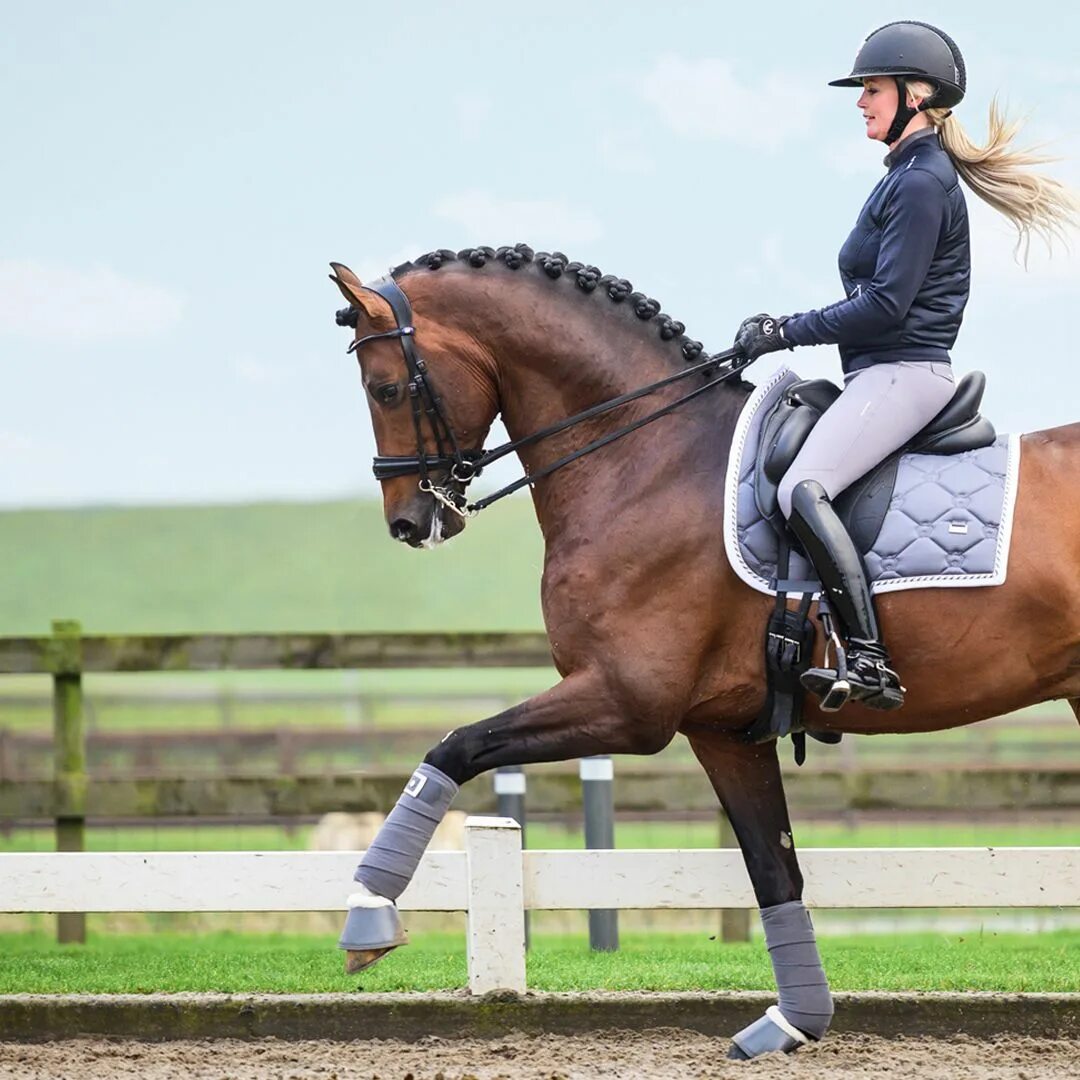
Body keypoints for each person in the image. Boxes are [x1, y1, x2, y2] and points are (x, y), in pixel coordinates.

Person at [732, 21, 1078, 712]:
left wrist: (783, 329)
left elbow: (885, 306)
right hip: (879, 373)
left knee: (804, 487)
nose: (861, 101)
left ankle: (867, 660)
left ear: (914, 96)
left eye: (872, 88)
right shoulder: (904, 178)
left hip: (905, 371)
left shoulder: (921, 183)